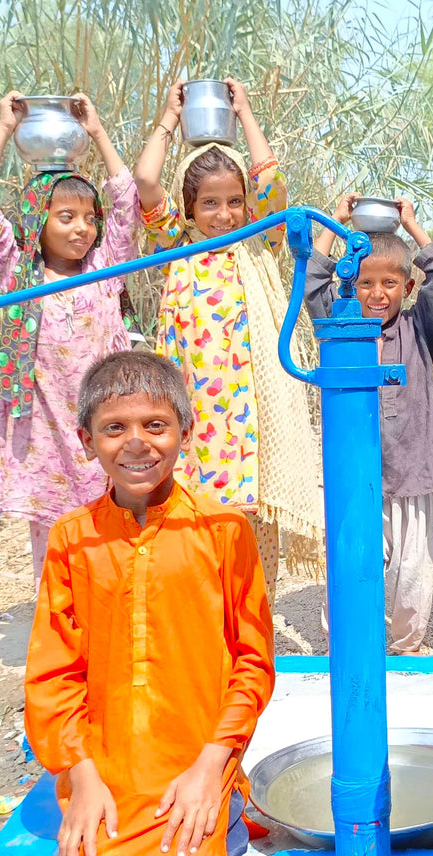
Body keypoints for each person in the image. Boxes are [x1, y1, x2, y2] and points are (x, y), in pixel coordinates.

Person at [24, 349, 275, 856]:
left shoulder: (223, 530)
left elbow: (252, 663)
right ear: (87, 440)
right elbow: (52, 673)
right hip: (107, 765)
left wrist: (211, 767)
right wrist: (81, 777)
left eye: (154, 425)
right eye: (115, 428)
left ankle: (225, 809)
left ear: (185, 433)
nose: (136, 443)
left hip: (197, 756)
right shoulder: (71, 539)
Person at [134, 78, 322, 601]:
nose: (223, 215)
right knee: (196, 513)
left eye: (233, 202)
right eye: (210, 204)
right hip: (198, 406)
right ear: (189, 209)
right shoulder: (175, 244)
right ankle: (203, 623)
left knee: (250, 519)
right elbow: (147, 181)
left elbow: (271, 183)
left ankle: (249, 626)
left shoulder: (260, 240)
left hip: (254, 410)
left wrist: (244, 113)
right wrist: (170, 119)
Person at [0, 91, 139, 588]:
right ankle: (63, 634)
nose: (82, 229)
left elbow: (126, 200)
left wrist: (98, 131)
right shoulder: (17, 274)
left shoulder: (106, 271)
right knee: (55, 539)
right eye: (66, 218)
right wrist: (5, 127)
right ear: (37, 222)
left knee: (114, 531)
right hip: (45, 431)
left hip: (104, 424)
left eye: (89, 218)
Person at [304, 195, 433, 653]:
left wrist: (411, 225)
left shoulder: (418, 329)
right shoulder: (341, 324)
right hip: (356, 473)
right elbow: (312, 282)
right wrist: (336, 220)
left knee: (412, 569)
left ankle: (406, 645)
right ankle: (350, 644)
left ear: (406, 287)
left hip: (412, 471)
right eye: (365, 281)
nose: (377, 293)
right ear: (350, 284)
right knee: (353, 560)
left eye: (389, 282)